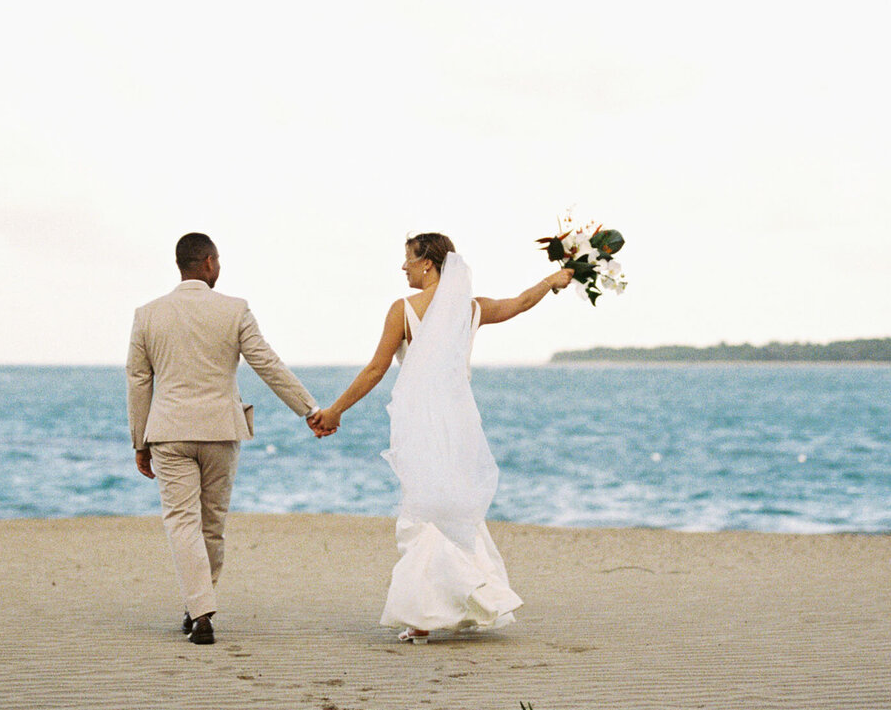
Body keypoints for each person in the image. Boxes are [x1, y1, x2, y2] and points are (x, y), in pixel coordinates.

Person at [309, 233, 573, 643]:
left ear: (428, 263)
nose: (404, 268)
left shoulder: (404, 310)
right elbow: (519, 303)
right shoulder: (469, 309)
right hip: (459, 422)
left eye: (408, 260)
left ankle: (423, 615)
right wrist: (550, 281)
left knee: (426, 512)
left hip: (421, 423)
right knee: (452, 506)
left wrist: (336, 410)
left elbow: (376, 369)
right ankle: (462, 601)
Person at [127, 232, 327, 645]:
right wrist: (308, 409)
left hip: (168, 434)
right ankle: (198, 608)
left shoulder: (147, 314)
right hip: (220, 431)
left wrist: (139, 441)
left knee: (182, 522)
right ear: (209, 263)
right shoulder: (234, 310)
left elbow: (138, 380)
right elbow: (266, 364)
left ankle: (200, 610)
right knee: (212, 525)